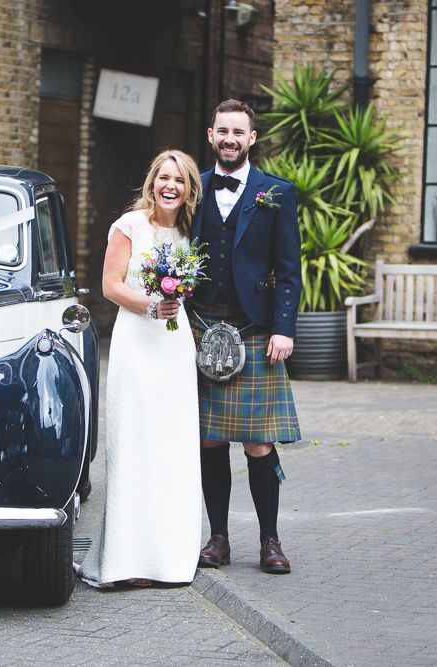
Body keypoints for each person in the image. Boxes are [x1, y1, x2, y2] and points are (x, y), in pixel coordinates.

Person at [78, 149, 203, 587]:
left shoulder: (189, 233)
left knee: (172, 445)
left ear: (189, 189)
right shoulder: (128, 226)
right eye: (164, 178)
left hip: (174, 347)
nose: (171, 186)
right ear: (152, 183)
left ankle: (169, 558)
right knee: (135, 442)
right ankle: (126, 561)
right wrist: (152, 305)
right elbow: (110, 286)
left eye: (180, 180)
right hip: (137, 341)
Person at [189, 99, 301, 574]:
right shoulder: (192, 190)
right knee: (211, 440)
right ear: (210, 135)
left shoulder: (276, 192)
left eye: (240, 132)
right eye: (223, 131)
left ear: (252, 138)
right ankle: (218, 539)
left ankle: (270, 541)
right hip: (201, 325)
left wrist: (284, 328)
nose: (230, 139)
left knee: (258, 442)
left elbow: (290, 269)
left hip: (256, 329)